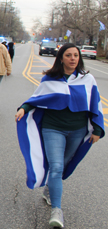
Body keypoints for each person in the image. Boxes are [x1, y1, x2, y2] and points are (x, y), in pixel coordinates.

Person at [15, 43, 104, 228]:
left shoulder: (87, 79)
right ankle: (57, 210)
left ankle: (50, 188)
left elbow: (95, 104)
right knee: (55, 166)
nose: (73, 58)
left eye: (76, 55)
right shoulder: (50, 78)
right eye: (68, 55)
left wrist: (97, 129)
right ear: (61, 58)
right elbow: (38, 98)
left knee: (63, 164)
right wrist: (23, 109)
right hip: (53, 127)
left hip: (77, 130)